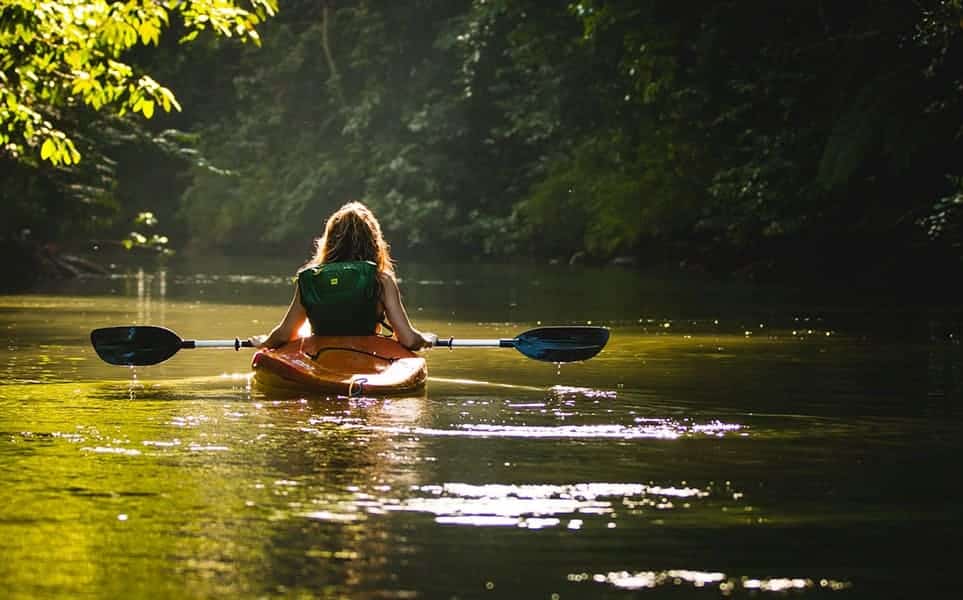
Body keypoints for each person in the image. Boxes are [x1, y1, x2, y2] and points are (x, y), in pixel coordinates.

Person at [250, 201, 435, 351]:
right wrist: (426, 339)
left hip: (320, 358)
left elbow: (285, 334)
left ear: (329, 241)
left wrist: (265, 342)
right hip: (367, 358)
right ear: (373, 242)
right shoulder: (381, 281)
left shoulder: (310, 280)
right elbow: (409, 340)